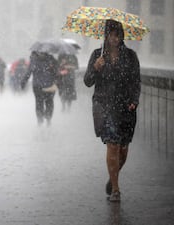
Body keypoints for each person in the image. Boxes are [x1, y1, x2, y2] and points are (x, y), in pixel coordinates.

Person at [84, 20, 141, 202]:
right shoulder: (97, 55)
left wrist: (134, 100)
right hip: (105, 106)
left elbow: (135, 81)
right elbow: (87, 81)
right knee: (113, 144)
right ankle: (116, 189)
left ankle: (112, 177)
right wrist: (95, 67)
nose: (115, 38)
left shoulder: (131, 56)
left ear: (122, 36)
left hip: (125, 107)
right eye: (111, 35)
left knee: (123, 151)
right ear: (106, 36)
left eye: (118, 35)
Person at [21, 51, 58, 126]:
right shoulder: (51, 59)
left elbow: (28, 72)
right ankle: (48, 118)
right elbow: (56, 72)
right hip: (49, 85)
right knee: (49, 102)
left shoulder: (34, 60)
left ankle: (40, 120)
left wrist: (23, 82)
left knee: (39, 103)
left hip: (38, 86)